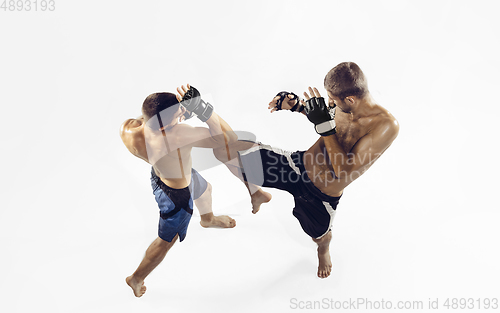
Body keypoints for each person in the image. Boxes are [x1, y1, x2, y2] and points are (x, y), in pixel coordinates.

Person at [213, 62, 399, 279]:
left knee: (318, 236)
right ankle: (258, 193)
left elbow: (344, 171)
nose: (330, 102)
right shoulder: (342, 105)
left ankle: (324, 248)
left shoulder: (385, 126)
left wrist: (325, 126)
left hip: (320, 196)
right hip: (295, 166)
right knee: (227, 152)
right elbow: (327, 118)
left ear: (350, 99)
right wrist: (297, 106)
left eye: (333, 99)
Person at [119, 85, 266, 297]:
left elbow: (154, 119)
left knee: (205, 190)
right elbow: (228, 139)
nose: (182, 115)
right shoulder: (177, 135)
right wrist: (203, 111)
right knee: (166, 242)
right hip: (176, 197)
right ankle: (136, 278)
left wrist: (176, 114)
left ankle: (207, 219)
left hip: (163, 174)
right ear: (165, 127)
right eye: (178, 115)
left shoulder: (129, 127)